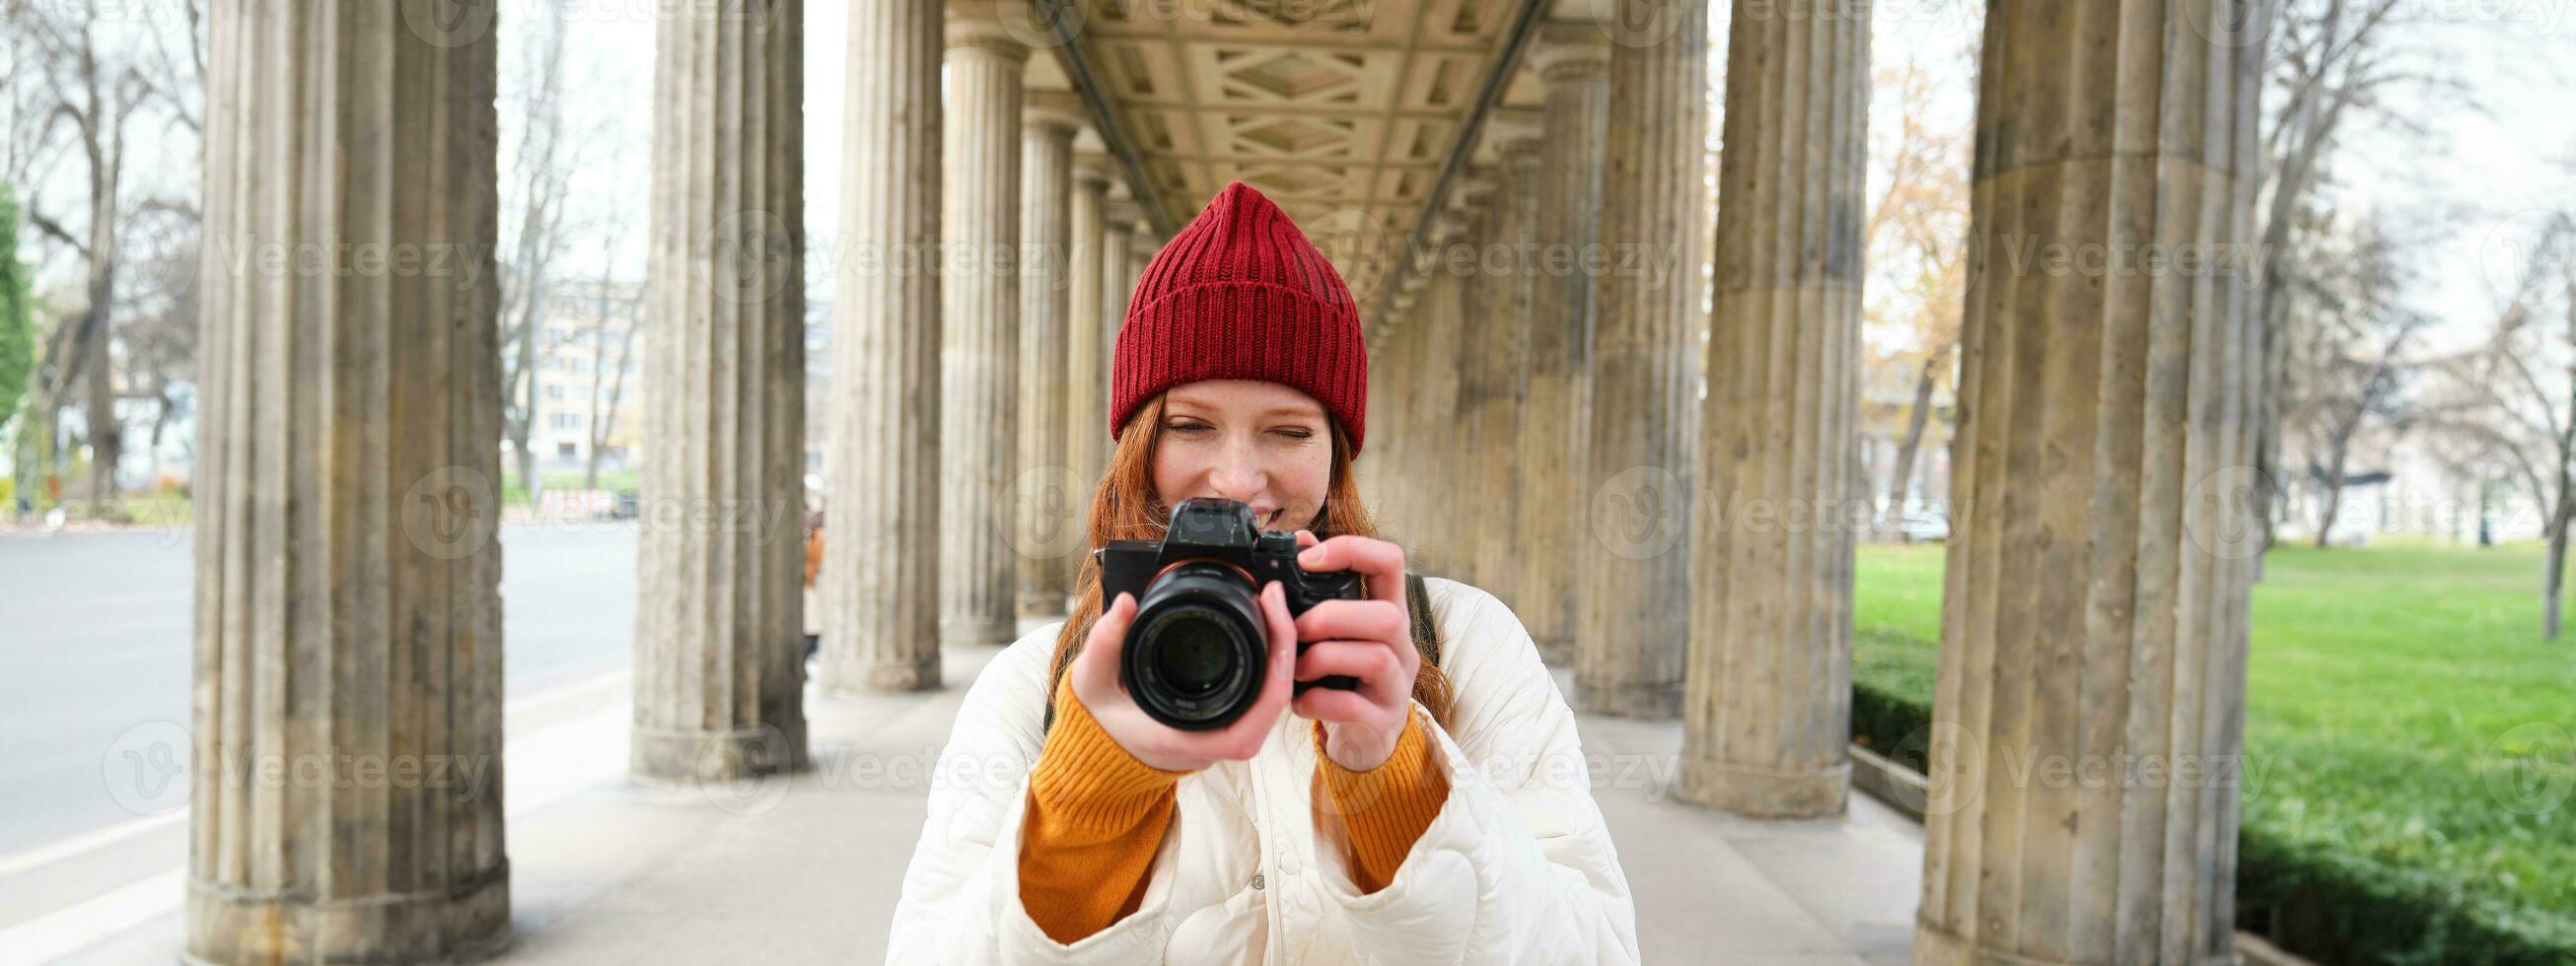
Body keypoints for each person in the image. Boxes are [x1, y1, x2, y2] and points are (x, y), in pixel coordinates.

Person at [887, 182, 1637, 964]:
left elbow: (1599, 952)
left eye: (1287, 431)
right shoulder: (1035, 688)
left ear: (1336, 456)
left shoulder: (1464, 644)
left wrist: (1395, 781)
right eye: (1189, 425)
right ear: (1137, 446)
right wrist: (1092, 799)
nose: (1239, 479)